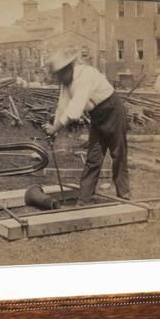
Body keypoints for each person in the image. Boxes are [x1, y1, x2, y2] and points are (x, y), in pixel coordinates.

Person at [42, 48, 130, 205]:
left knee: (118, 154)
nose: (58, 79)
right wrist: (54, 130)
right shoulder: (66, 82)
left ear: (67, 68)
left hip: (112, 109)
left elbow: (75, 109)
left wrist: (55, 128)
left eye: (59, 74)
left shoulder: (85, 75)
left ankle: (124, 196)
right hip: (97, 115)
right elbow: (63, 106)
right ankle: (83, 200)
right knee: (93, 157)